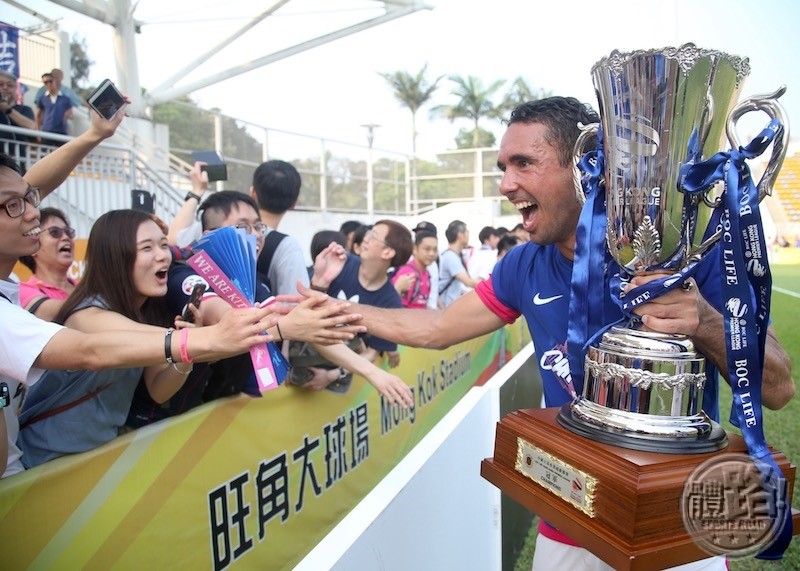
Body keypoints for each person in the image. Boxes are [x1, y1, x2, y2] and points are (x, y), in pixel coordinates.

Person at [299, 96, 794, 571]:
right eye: (502, 168)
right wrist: (342, 312)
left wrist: (707, 322)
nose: (506, 184)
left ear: (585, 167)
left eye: (523, 164)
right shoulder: (523, 265)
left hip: (672, 518)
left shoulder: (683, 252)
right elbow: (438, 328)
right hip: (568, 511)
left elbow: (777, 389)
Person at [0, 153, 279, 477]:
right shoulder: (88, 313)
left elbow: (159, 388)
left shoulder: (145, 313)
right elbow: (94, 351)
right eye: (147, 248)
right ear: (117, 257)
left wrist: (185, 359)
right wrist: (209, 337)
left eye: (163, 245)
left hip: (90, 465)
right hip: (44, 465)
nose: (162, 255)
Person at [308, 219, 413, 371]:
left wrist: (335, 375)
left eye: (373, 235)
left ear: (387, 252)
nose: (365, 238)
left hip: (339, 371)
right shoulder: (340, 262)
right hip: (305, 356)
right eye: (368, 232)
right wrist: (320, 281)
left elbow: (372, 353)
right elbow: (305, 308)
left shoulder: (391, 303)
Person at [17, 207, 77, 321]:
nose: (66, 238)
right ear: (33, 247)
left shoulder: (84, 289)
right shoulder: (24, 292)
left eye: (68, 232)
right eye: (55, 232)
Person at [438, 219, 482, 307]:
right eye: (467, 232)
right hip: (445, 308)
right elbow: (468, 282)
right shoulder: (451, 257)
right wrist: (491, 285)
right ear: (460, 235)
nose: (468, 235)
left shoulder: (451, 254)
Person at [391, 230, 438, 309]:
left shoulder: (427, 274)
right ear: (415, 249)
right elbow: (398, 308)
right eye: (427, 249)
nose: (432, 253)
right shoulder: (408, 274)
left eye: (435, 250)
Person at [0, 71, 36, 165]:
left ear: (16, 88)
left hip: (17, 162)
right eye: (1, 84)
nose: (5, 88)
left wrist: (8, 110)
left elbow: (32, 127)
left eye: (9, 85)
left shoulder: (24, 109)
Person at [35, 73, 74, 147]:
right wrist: (37, 132)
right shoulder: (42, 98)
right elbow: (37, 116)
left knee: (63, 156)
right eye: (45, 82)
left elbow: (71, 115)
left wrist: (67, 115)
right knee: (46, 156)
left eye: (50, 81)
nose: (49, 84)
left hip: (61, 132)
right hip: (46, 132)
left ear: (55, 81)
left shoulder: (65, 99)